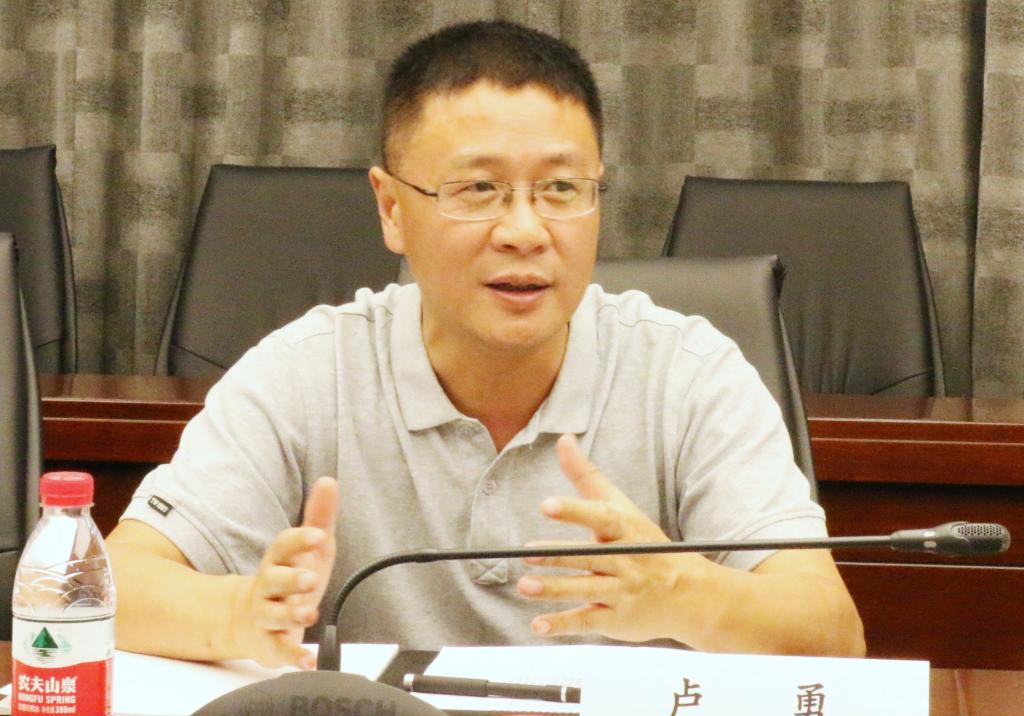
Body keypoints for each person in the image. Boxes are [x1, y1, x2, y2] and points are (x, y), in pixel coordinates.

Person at [107, 20, 864, 670]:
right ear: (391, 208)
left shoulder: (689, 375)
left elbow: (832, 634)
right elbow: (113, 586)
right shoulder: (306, 373)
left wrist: (683, 594)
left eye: (561, 189)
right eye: (478, 190)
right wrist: (241, 612)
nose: (525, 231)